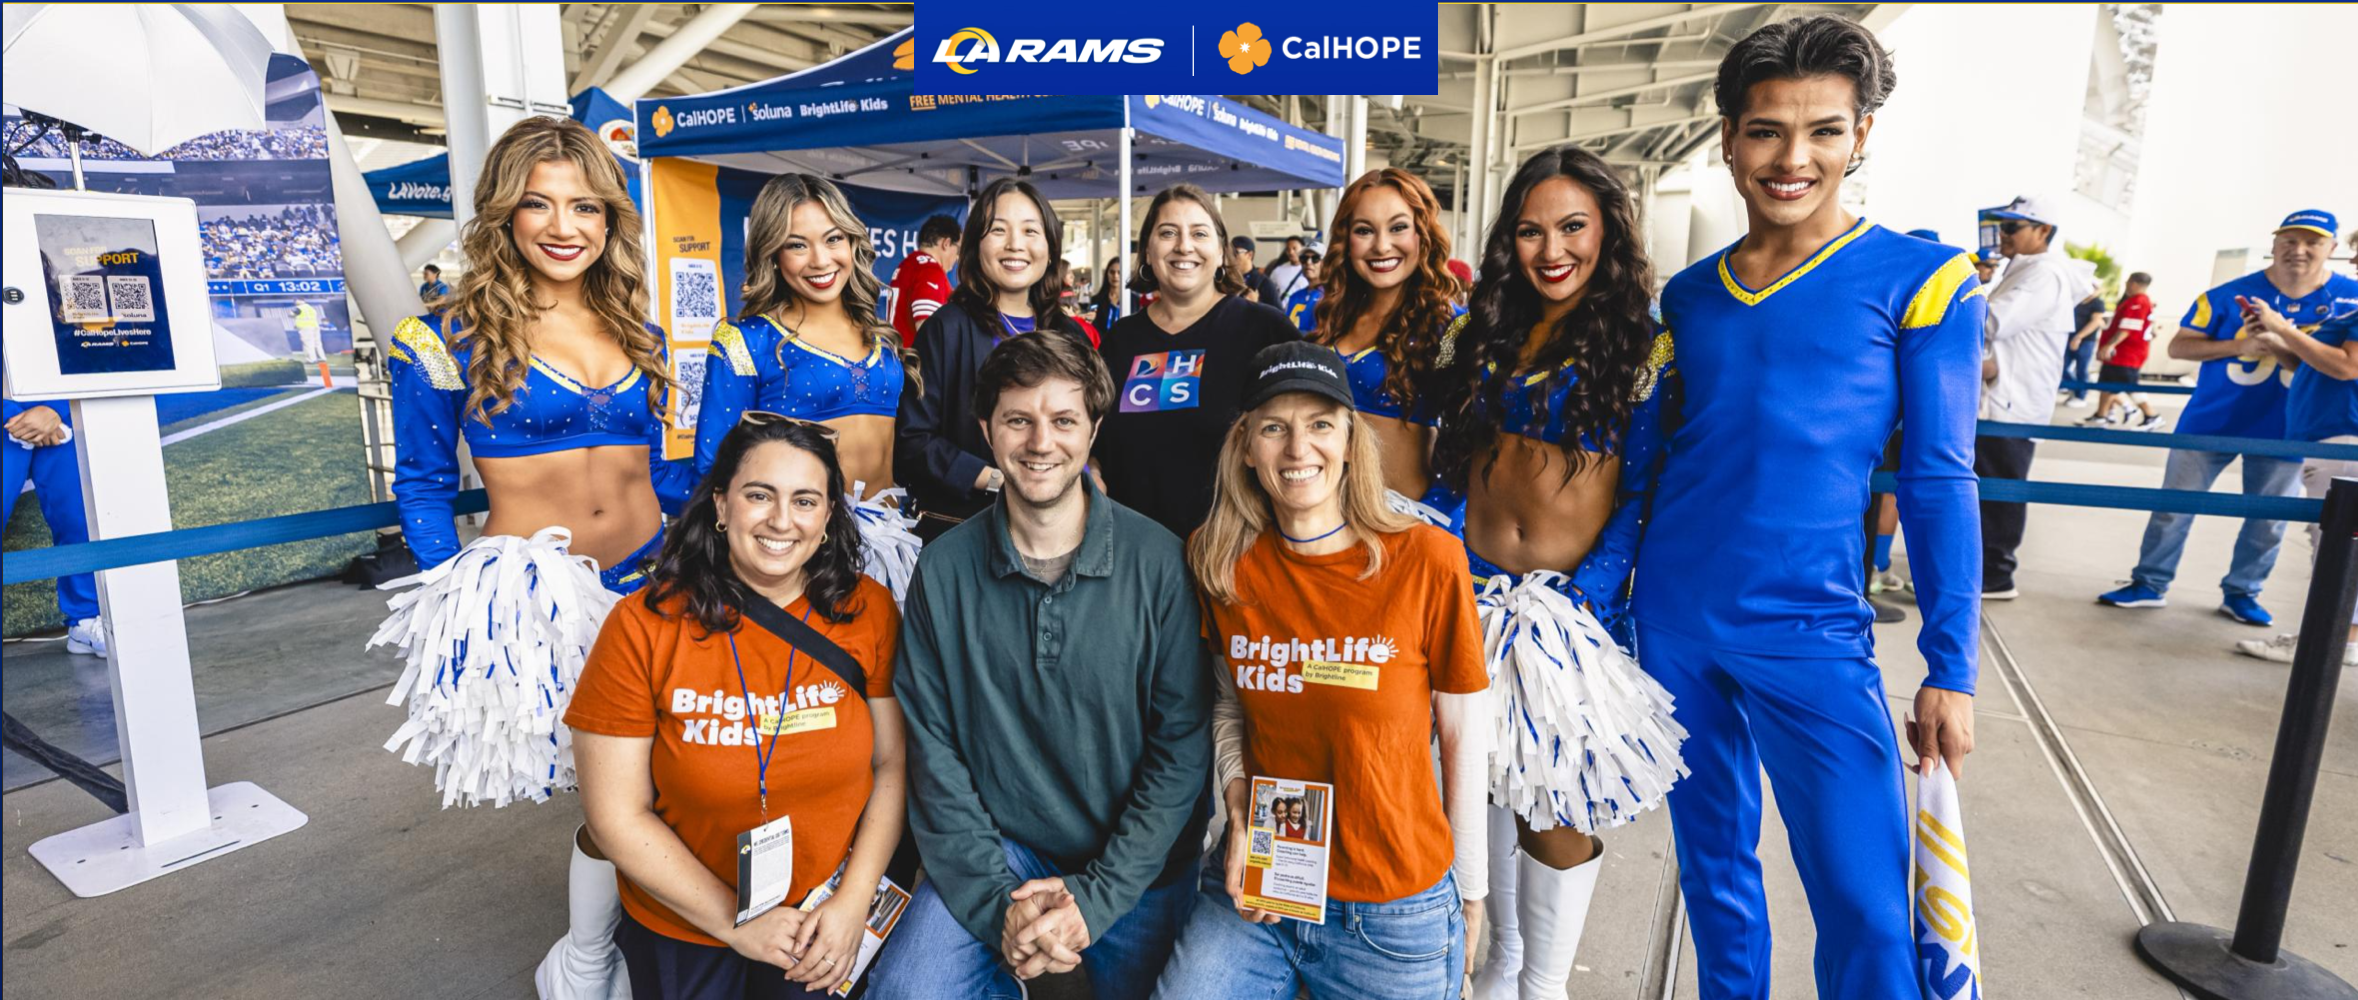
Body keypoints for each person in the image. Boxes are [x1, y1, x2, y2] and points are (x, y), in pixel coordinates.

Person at [1637, 17, 1985, 998]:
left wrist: (1951, 667)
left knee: (1867, 905)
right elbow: (1652, 459)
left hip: (1812, 629)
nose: (1793, 159)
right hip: (1673, 621)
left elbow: (1940, 478)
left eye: (1824, 131)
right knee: (1714, 875)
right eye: (1766, 131)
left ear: (1860, 135)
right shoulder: (1688, 297)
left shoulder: (1924, 280)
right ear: (1728, 139)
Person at [367, 115, 698, 1000]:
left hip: (652, 580)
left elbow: (664, 476)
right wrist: (452, 595)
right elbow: (424, 484)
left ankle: (636, 947)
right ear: (503, 214)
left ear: (609, 219)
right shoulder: (442, 337)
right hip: (538, 604)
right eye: (539, 204)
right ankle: (585, 958)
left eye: (586, 206)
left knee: (673, 778)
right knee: (611, 794)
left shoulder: (641, 332)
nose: (564, 226)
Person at [870, 332, 1210, 1000]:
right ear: (986, 429)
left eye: (1063, 420)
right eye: (1018, 420)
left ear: (1094, 429)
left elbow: (1180, 753)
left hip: (1136, 863)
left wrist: (1097, 898)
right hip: (1003, 847)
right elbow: (933, 752)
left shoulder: (1161, 564)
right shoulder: (943, 568)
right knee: (908, 990)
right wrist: (999, 905)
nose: (1040, 442)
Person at [1149, 341, 1490, 1000]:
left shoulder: (1426, 559)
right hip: (1268, 881)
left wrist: (1470, 894)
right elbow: (1229, 705)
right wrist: (1238, 810)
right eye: (1274, 427)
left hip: (1391, 907)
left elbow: (1464, 736)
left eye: (1321, 424)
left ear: (1350, 441)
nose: (1298, 448)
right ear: (1246, 447)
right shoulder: (1220, 561)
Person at [1428, 144, 1688, 1000]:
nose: (1552, 250)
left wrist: (1584, 597)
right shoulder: (1480, 330)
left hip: (1568, 614)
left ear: (1609, 230)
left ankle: (1543, 986)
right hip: (1470, 592)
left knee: (1553, 803)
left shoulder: (1645, 343)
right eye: (1532, 231)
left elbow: (1641, 491)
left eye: (1573, 227)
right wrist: (1440, 551)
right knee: (1480, 785)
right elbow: (1453, 464)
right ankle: (1500, 969)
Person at [569, 416, 907, 999]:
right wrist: (735, 922)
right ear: (721, 505)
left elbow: (892, 764)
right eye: (759, 495)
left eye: (805, 501)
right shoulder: (641, 625)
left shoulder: (867, 610)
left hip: (822, 912)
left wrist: (853, 902)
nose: (781, 520)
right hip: (688, 919)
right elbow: (616, 816)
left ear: (829, 516)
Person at [2098, 210, 2358, 624]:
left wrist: (2281, 338)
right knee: (2173, 507)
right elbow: (2180, 347)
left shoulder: (2350, 299)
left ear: (2332, 248)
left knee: (2268, 521)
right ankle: (2149, 582)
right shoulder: (2227, 294)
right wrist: (2238, 347)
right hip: (2211, 421)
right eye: (2289, 240)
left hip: (2291, 428)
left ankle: (2243, 591)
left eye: (2313, 242)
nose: (2299, 250)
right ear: (2274, 244)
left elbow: (2341, 366)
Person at [696, 173, 923, 602]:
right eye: (797, 245)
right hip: (803, 553)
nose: (820, 260)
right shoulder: (748, 341)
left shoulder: (880, 335)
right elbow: (714, 468)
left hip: (895, 543)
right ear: (773, 254)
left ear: (852, 242)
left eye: (833, 239)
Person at [1096, 184, 1300, 538]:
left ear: (1221, 252)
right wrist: (1092, 470)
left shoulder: (1267, 331)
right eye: (1168, 233)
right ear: (1148, 252)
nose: (1184, 246)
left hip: (1236, 550)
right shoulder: (1121, 341)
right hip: (1133, 551)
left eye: (1199, 233)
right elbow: (1096, 440)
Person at [896, 177, 1094, 527]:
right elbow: (913, 440)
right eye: (998, 230)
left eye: (1030, 231)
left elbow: (1091, 428)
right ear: (975, 246)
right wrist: (997, 480)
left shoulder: (1071, 334)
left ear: (1050, 248)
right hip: (969, 526)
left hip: (1062, 526)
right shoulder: (946, 329)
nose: (1015, 244)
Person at [1308, 168, 1463, 527]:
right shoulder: (1327, 316)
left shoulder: (1452, 327)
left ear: (1423, 234)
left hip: (1404, 523)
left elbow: (1469, 442)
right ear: (1346, 239)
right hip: (1324, 520)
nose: (1381, 246)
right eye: (1364, 230)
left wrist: (1428, 518)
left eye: (1398, 228)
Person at [2233, 227, 2358, 665]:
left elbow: (2346, 367)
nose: (2354, 264)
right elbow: (2316, 366)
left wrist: (2283, 327)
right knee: (2335, 541)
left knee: (2338, 545)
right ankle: (2339, 637)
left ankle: (2334, 641)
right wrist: (2277, 341)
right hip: (2331, 435)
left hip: (2345, 437)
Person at [1977, 194, 2098, 599]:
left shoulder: (2043, 273)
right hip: (1999, 400)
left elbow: (1992, 322)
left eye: (2012, 227)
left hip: (2011, 405)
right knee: (1986, 491)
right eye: (2001, 225)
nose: (2003, 234)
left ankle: (1996, 575)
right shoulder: (2024, 270)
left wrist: (1948, 294)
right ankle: (1980, 571)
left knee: (1999, 491)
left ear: (2043, 231)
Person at [3, 381, 105, 658]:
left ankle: (85, 619)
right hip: (9, 408)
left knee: (78, 515)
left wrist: (53, 408)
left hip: (57, 404)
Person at [2085, 271, 2162, 429]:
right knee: (2107, 383)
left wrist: (2110, 345)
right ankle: (2102, 415)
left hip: (2127, 353)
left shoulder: (2138, 301)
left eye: (2128, 281)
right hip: (2122, 353)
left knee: (2129, 384)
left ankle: (2151, 415)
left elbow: (2128, 328)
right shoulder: (2138, 301)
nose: (2126, 284)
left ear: (2134, 283)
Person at [890, 214, 962, 348]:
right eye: (958, 250)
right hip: (913, 358)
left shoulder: (907, 264)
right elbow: (927, 331)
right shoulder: (930, 270)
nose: (957, 258)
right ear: (946, 243)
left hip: (897, 354)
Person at [2062, 285, 2107, 405]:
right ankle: (2075, 388)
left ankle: (2080, 396)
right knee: (2062, 367)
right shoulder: (2075, 300)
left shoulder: (2097, 303)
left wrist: (2079, 337)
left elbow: (2096, 321)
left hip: (2086, 340)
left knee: (2082, 369)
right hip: (2068, 338)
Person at [1230, 235, 1285, 305]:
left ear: (1249, 255)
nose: (1231, 257)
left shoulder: (1264, 283)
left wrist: (1256, 303)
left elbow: (1278, 311)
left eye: (1236, 253)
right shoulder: (1226, 280)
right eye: (1229, 253)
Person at [1282, 244, 1324, 334]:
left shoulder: (1330, 296)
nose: (1308, 262)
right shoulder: (1294, 296)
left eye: (1315, 258)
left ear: (1326, 264)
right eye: (1304, 258)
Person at [1264, 235, 1307, 301]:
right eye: (1288, 249)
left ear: (1303, 249)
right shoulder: (1278, 270)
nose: (1291, 252)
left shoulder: (1309, 269)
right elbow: (1269, 291)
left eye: (1294, 248)